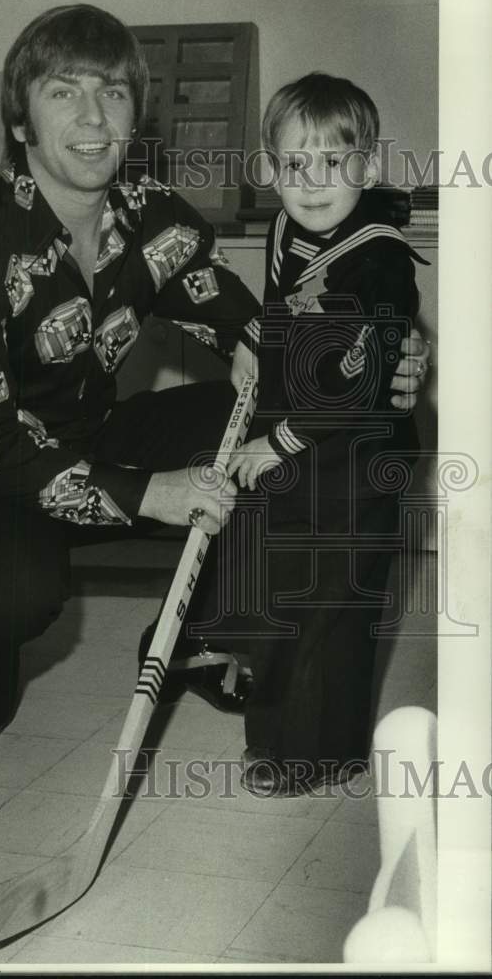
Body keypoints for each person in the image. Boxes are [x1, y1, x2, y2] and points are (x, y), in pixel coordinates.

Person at [0, 7, 428, 747]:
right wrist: (156, 492)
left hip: (94, 437)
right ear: (20, 121)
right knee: (17, 593)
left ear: (135, 116)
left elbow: (259, 337)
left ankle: (193, 636)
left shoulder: (153, 220)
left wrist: (386, 358)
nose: (92, 116)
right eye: (62, 92)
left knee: (283, 437)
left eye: (111, 93)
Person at [184, 72, 431, 796]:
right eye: (294, 164)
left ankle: (314, 754)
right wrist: (249, 339)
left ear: (370, 164)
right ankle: (261, 712)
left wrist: (276, 444)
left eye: (334, 162)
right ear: (269, 168)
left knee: (332, 610)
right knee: (276, 583)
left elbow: (356, 385)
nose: (312, 181)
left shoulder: (381, 262)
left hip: (358, 459)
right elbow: (282, 305)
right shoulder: (284, 226)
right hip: (302, 446)